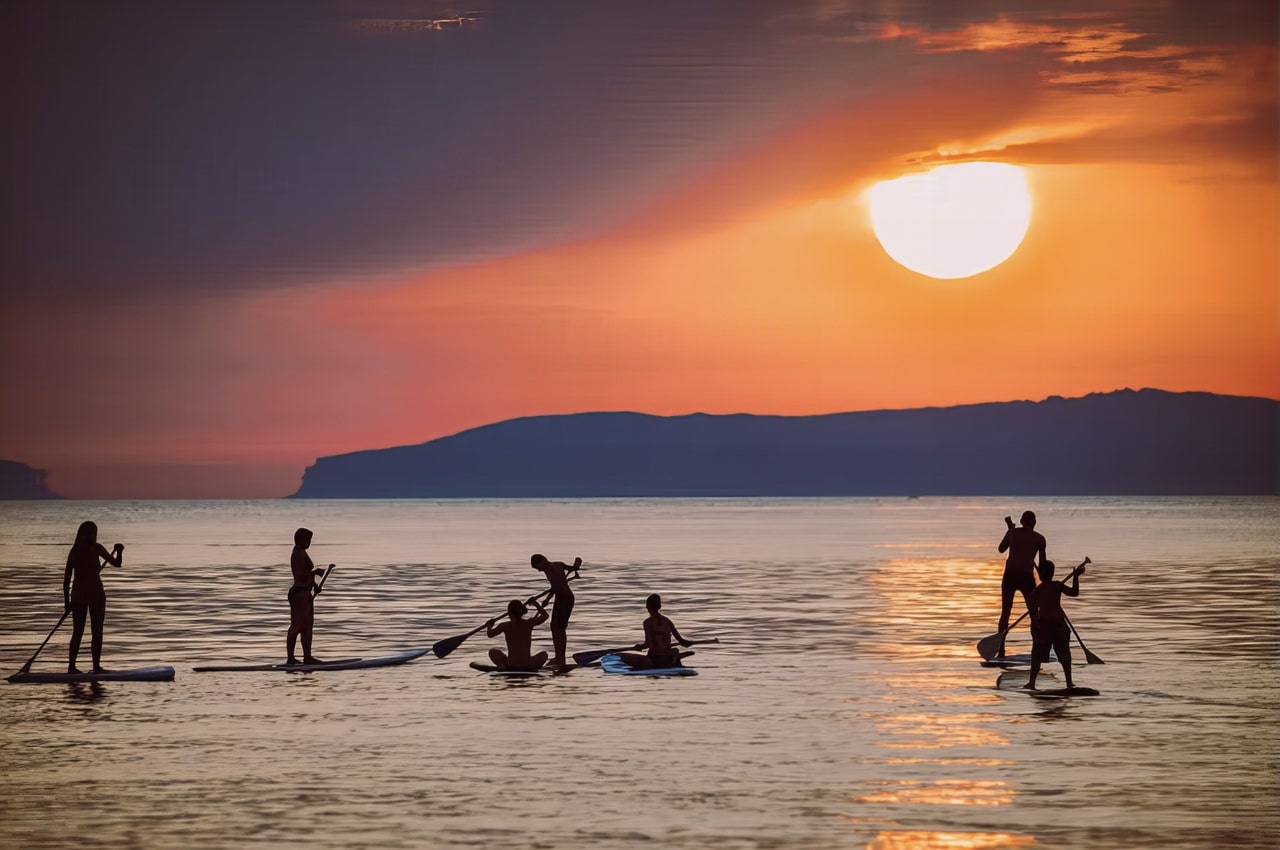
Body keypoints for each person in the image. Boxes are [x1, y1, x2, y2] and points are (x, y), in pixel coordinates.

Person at [62, 521, 124, 674]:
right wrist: (67, 602)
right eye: (91, 533)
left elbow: (116, 563)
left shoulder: (97, 548)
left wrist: (119, 550)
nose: (94, 536)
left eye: (94, 533)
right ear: (83, 534)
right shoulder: (75, 551)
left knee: (97, 631)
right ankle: (71, 667)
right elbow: (66, 578)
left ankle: (96, 666)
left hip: (96, 595)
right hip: (79, 596)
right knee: (78, 631)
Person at [1025, 558, 1086, 690]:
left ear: (1040, 575)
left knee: (1037, 656)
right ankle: (1068, 683)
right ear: (1052, 573)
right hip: (1055, 626)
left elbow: (1032, 609)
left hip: (1048, 627)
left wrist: (1034, 627)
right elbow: (1074, 592)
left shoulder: (1039, 590)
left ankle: (1032, 683)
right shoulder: (1056, 586)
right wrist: (1076, 576)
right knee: (1064, 655)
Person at [995, 510, 1047, 657]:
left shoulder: (1012, 533)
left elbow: (1001, 549)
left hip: (1010, 575)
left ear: (1022, 522)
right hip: (1026, 577)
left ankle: (1001, 651)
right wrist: (1046, 584)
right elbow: (1042, 565)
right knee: (1034, 614)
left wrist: (1010, 532)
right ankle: (1038, 648)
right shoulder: (1040, 539)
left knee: (1005, 613)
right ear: (1034, 523)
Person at [617, 593, 692, 670]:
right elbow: (682, 641)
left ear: (647, 607)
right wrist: (687, 643)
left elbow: (648, 644)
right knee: (675, 650)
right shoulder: (667, 621)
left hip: (655, 658)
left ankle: (665, 662)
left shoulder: (647, 622)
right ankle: (673, 660)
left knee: (630, 660)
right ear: (659, 607)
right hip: (668, 656)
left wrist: (639, 647)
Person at [287, 527, 328, 665]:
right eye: (308, 540)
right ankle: (291, 659)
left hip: (306, 594)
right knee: (297, 626)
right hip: (299, 594)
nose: (310, 542)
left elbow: (306, 575)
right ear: (301, 540)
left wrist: (314, 585)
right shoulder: (297, 553)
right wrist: (315, 572)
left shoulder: (302, 552)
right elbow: (300, 575)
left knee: (307, 627)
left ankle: (307, 657)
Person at [531, 553, 580, 667]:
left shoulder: (555, 567)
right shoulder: (552, 568)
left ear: (542, 561)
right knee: (554, 627)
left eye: (538, 567)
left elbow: (561, 582)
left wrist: (576, 566)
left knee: (560, 628)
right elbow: (555, 586)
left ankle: (560, 658)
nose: (539, 570)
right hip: (559, 597)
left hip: (566, 598)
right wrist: (547, 599)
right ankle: (559, 656)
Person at [486, 597, 549, 672]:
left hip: (511, 664)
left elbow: (489, 634)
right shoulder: (529, 623)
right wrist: (535, 604)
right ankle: (523, 665)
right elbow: (545, 616)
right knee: (544, 654)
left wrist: (489, 626)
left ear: (509, 613)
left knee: (492, 652)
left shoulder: (504, 625)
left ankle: (503, 667)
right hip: (527, 664)